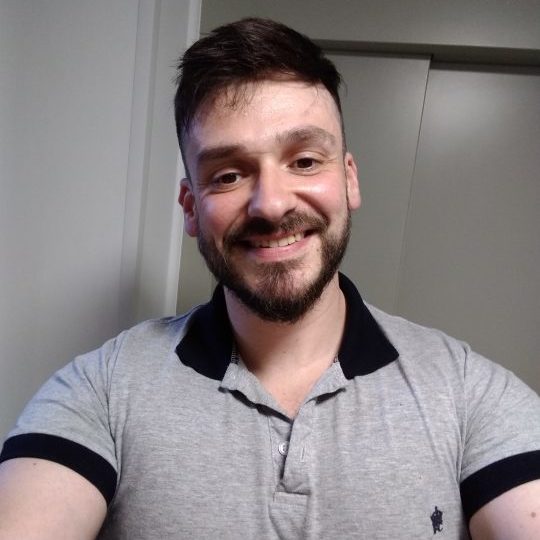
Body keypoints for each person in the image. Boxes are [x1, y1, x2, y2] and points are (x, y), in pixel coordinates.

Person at [0, 17, 539, 540]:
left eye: (304, 161)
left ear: (348, 179)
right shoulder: (101, 392)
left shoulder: (470, 395)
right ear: (190, 208)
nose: (272, 204)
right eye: (229, 174)